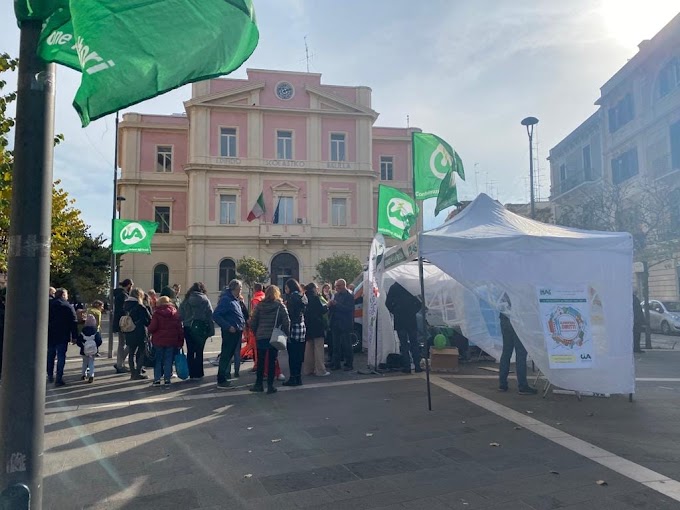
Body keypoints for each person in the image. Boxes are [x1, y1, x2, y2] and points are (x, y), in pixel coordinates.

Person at [249, 285, 290, 394]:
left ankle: (258, 384)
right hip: (274, 336)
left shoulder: (260, 306)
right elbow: (287, 321)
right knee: (272, 361)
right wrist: (286, 334)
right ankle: (270, 386)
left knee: (261, 361)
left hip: (261, 336)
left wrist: (256, 331)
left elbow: (253, 321)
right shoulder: (280, 306)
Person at [498, 295, 537, 395]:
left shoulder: (504, 286)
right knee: (521, 353)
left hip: (504, 318)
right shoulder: (518, 287)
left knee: (506, 351)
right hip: (518, 319)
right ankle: (522, 386)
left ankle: (502, 384)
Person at [212, 279, 245, 389]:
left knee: (229, 356)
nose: (241, 291)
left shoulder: (234, 299)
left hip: (236, 331)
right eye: (240, 289)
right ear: (234, 289)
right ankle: (221, 380)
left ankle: (224, 378)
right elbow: (216, 315)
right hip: (230, 332)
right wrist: (228, 326)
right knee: (226, 356)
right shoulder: (226, 300)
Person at [179, 282, 215, 380]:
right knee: (199, 351)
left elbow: (180, 315)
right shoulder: (205, 300)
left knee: (190, 351)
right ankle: (199, 373)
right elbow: (210, 315)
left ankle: (191, 373)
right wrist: (211, 330)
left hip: (187, 328)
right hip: (200, 328)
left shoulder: (186, 300)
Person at [385, 282, 423, 374]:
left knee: (403, 344)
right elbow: (419, 302)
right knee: (414, 343)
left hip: (400, 320)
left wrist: (395, 311)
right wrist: (413, 311)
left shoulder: (393, 287)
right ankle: (417, 366)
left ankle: (407, 367)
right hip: (411, 320)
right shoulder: (410, 286)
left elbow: (387, 303)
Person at [149, 295, 184, 386]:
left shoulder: (156, 313)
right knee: (168, 360)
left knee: (158, 360)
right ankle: (167, 379)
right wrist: (181, 340)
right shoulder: (175, 313)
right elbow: (179, 328)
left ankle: (157, 379)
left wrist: (149, 331)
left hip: (158, 340)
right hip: (171, 340)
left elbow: (153, 327)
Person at [47, 288, 78, 387]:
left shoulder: (48, 304)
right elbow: (73, 321)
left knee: (50, 355)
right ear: (63, 295)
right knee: (61, 356)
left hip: (50, 333)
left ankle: (50, 375)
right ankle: (59, 378)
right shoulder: (68, 306)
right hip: (63, 334)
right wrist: (74, 336)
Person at [123, 288, 152, 380]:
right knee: (142, 352)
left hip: (129, 330)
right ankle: (138, 372)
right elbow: (148, 320)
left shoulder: (126, 305)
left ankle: (132, 373)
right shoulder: (140, 307)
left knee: (131, 352)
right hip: (139, 331)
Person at [283, 278, 307, 386]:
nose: (285, 289)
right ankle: (298, 378)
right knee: (299, 354)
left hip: (293, 327)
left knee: (292, 354)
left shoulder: (292, 298)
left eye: (286, 287)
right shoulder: (302, 296)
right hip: (301, 326)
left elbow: (290, 315)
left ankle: (293, 378)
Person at [303, 282, 329, 377]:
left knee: (309, 349)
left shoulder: (305, 298)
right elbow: (321, 310)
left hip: (308, 325)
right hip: (317, 325)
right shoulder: (315, 298)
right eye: (317, 288)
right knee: (318, 349)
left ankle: (308, 369)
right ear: (313, 288)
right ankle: (320, 370)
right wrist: (328, 305)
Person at [328, 279, 355, 371]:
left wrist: (337, 305)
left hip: (345, 323)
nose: (337, 288)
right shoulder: (335, 295)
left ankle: (349, 364)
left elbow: (349, 309)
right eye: (336, 286)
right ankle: (336, 363)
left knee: (346, 345)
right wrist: (330, 305)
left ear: (344, 285)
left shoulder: (349, 296)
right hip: (335, 323)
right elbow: (333, 308)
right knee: (336, 345)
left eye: (338, 286)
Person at [113, 278, 133, 373]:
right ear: (129, 285)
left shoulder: (118, 294)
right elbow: (125, 309)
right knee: (128, 343)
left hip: (119, 322)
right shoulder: (124, 295)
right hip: (124, 322)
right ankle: (120, 363)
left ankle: (119, 363)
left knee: (121, 344)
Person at [76, 314, 102, 383]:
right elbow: (99, 341)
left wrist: (82, 346)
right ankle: (91, 375)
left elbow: (79, 341)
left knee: (84, 362)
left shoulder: (83, 331)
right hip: (93, 350)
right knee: (91, 362)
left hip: (84, 350)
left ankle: (83, 374)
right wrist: (96, 346)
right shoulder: (96, 331)